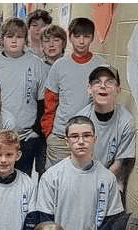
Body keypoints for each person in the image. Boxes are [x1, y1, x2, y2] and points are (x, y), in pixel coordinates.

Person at [34, 116, 124, 230]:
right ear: (67, 142)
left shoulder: (107, 178)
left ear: (95, 139)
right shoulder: (52, 176)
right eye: (75, 136)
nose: (81, 141)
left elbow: (112, 222)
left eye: (86, 135)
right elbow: (45, 221)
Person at [0, 17, 48, 177]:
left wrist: (36, 130)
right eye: (10, 36)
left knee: (22, 181)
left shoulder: (36, 64)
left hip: (26, 137)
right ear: (2, 39)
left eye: (19, 37)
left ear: (25, 39)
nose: (14, 41)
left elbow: (42, 101)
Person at [42, 18, 106, 169]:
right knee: (55, 182)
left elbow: (106, 102)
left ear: (92, 38)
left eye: (86, 36)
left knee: (83, 180)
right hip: (60, 135)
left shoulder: (101, 65)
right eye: (77, 36)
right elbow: (50, 102)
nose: (82, 41)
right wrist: (48, 133)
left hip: (88, 135)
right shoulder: (59, 65)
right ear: (70, 37)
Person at [75, 65, 136, 206]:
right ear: (90, 89)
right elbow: (78, 159)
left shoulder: (126, 121)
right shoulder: (81, 119)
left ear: (118, 89)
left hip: (111, 180)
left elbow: (118, 164)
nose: (103, 86)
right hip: (84, 176)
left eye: (109, 82)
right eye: (97, 82)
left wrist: (99, 185)